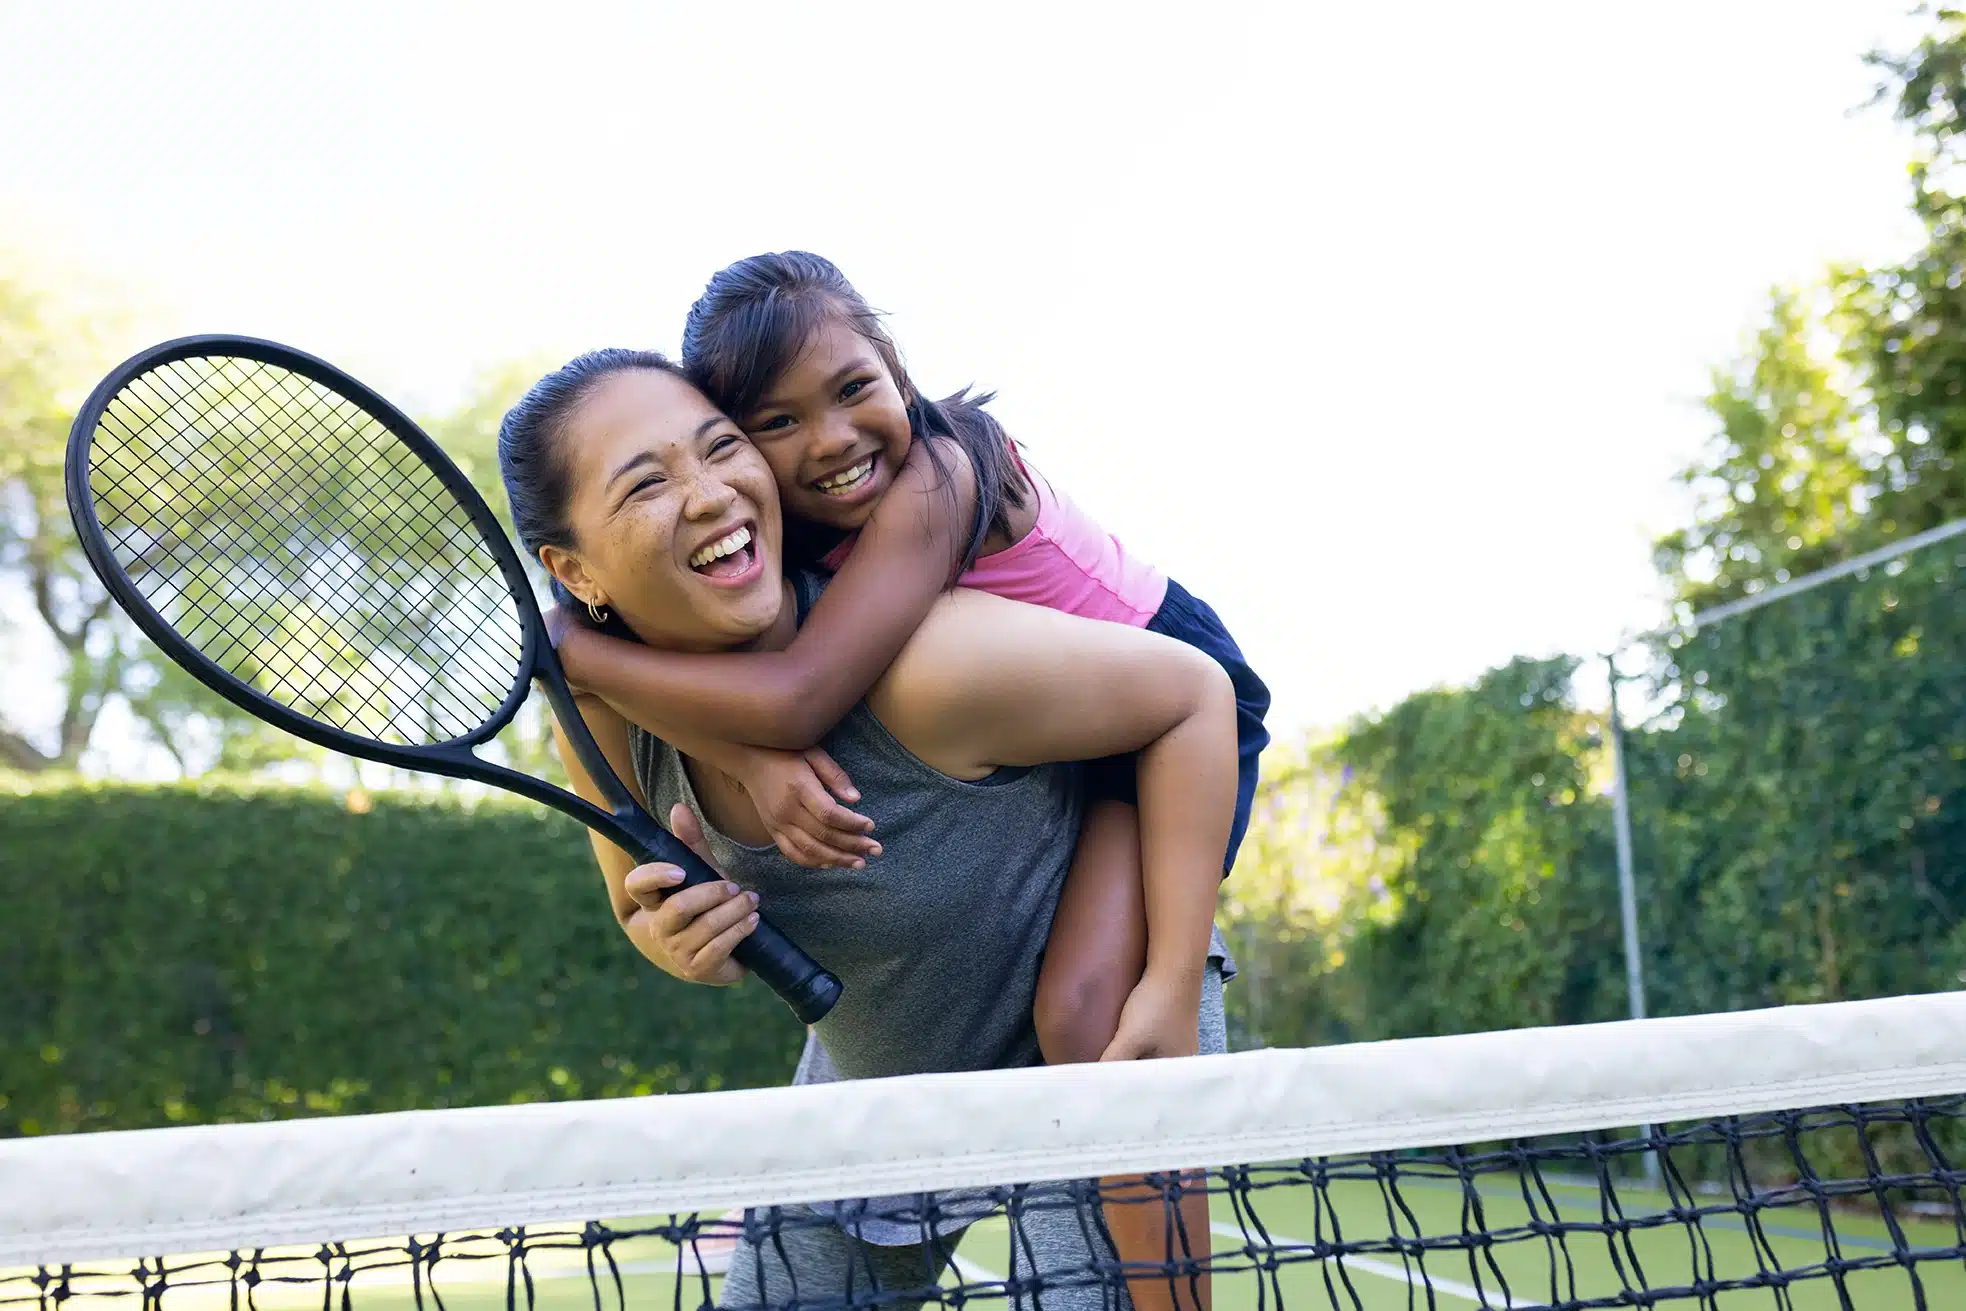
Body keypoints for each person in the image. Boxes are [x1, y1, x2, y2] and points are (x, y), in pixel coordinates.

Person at [497, 350, 1238, 1311]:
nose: (713, 493)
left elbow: (1194, 694)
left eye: (722, 448)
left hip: (1099, 1037)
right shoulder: (595, 707)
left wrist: (1172, 980)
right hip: (877, 1080)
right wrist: (680, 942)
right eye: (648, 482)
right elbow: (635, 908)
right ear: (572, 569)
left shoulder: (931, 665)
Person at [554, 252, 1272, 1078]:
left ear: (895, 368)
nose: (830, 439)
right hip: (1074, 726)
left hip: (1172, 712)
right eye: (777, 423)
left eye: (854, 388)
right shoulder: (798, 515)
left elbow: (797, 697)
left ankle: (1175, 1006)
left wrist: (578, 654)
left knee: (1084, 1013)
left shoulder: (939, 476)